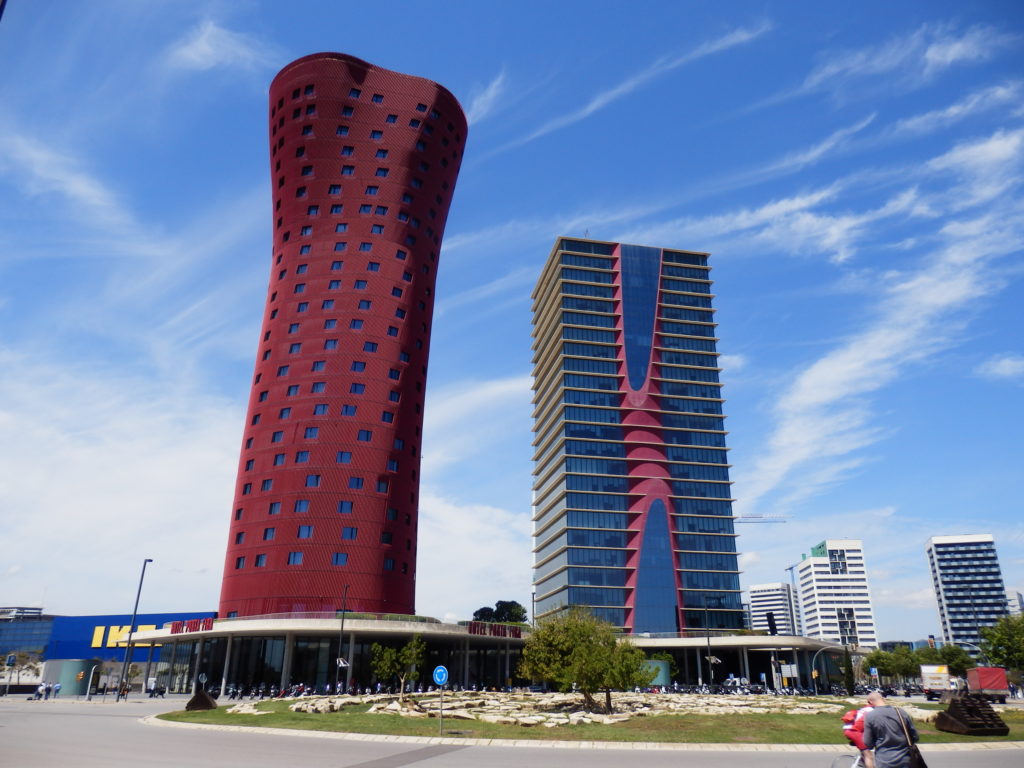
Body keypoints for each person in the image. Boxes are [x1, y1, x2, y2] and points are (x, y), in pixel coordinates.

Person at [864, 691, 920, 768]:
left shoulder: (870, 716)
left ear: (870, 702)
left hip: (884, 760)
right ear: (883, 699)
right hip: (905, 759)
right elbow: (915, 736)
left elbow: (868, 742)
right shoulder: (901, 712)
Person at [841, 699, 876, 768]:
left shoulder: (864, 709)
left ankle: (862, 762)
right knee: (868, 756)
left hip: (848, 730)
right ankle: (864, 762)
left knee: (865, 750)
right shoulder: (872, 711)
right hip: (854, 732)